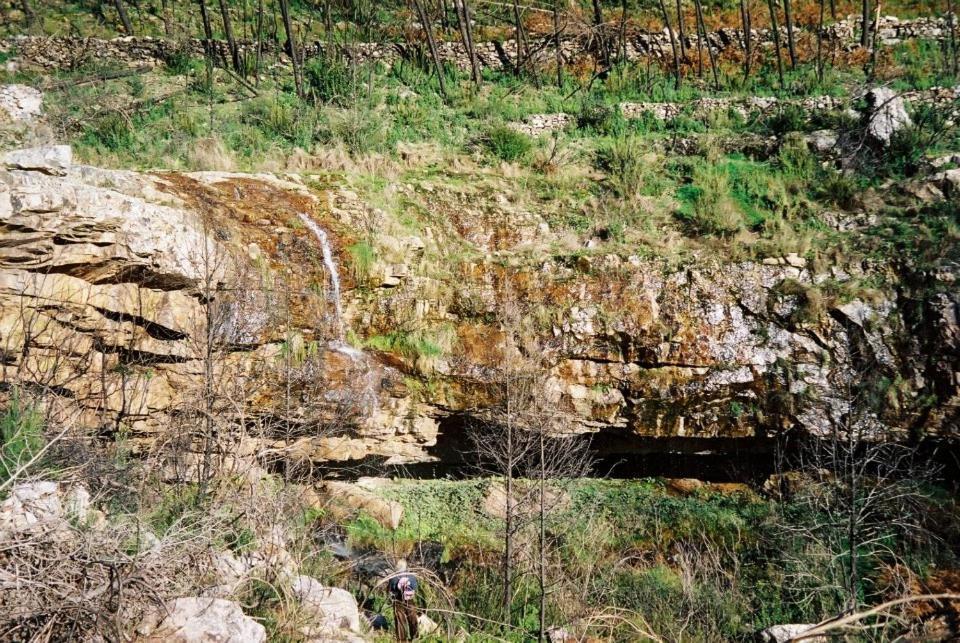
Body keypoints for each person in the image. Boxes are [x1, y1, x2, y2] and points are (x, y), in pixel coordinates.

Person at [388, 559, 419, 642]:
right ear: (406, 566)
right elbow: (415, 587)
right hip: (410, 599)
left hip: (398, 599)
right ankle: (415, 637)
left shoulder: (393, 577)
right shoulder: (411, 576)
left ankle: (402, 640)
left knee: (400, 619)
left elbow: (390, 589)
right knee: (412, 617)